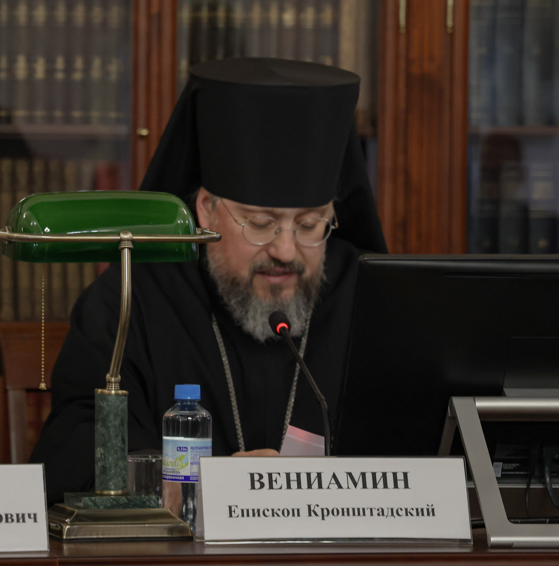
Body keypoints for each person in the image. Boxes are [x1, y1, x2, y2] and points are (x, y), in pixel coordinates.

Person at [30, 58, 388, 503]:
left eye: (311, 224)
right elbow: (79, 453)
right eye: (260, 224)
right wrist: (195, 489)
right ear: (206, 210)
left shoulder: (370, 299)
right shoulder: (132, 301)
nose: (286, 250)